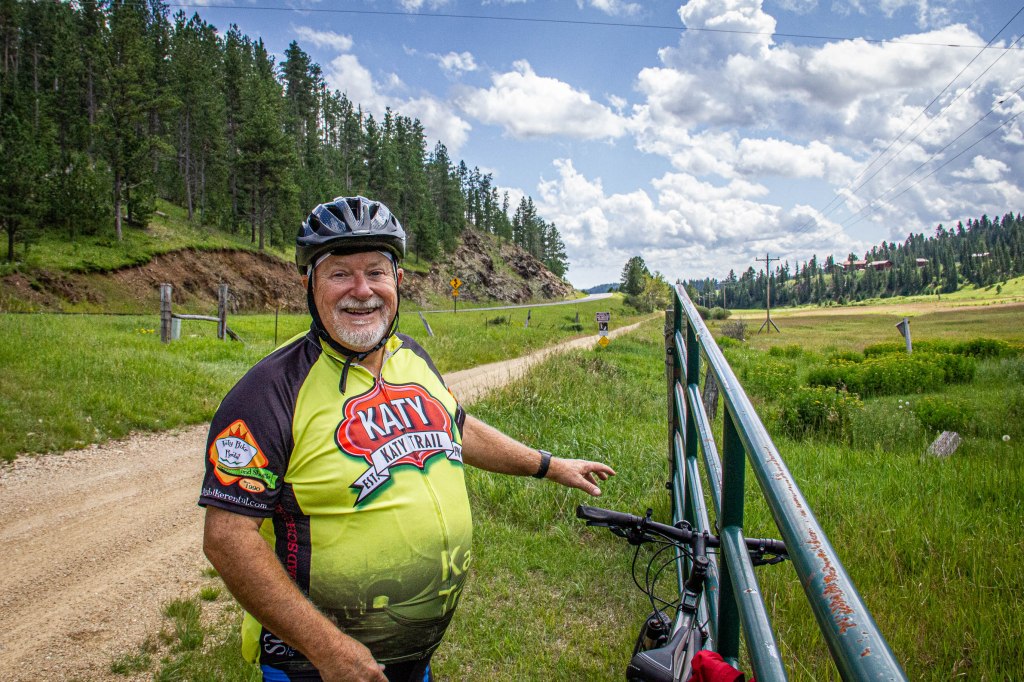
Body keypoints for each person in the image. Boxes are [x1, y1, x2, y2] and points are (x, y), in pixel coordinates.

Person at [199, 195, 615, 682]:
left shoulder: (411, 357)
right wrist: (329, 649)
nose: (362, 291)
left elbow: (457, 427)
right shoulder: (270, 391)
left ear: (398, 280)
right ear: (309, 283)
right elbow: (227, 539)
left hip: (414, 658)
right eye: (339, 274)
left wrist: (550, 465)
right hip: (319, 666)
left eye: (375, 272)